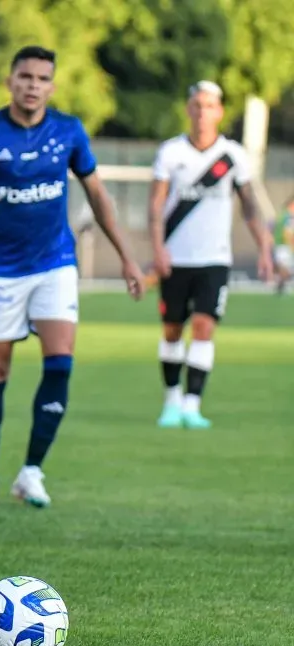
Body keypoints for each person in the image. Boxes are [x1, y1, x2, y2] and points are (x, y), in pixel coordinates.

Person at [0, 46, 145, 509]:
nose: (33, 85)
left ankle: (32, 472)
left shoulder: (69, 131)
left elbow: (98, 198)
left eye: (42, 78)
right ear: (10, 81)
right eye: (25, 76)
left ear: (52, 86)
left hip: (57, 263)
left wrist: (127, 256)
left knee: (60, 362)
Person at [148, 80, 273, 430]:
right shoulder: (171, 153)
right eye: (197, 106)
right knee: (173, 329)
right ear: (189, 109)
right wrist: (157, 249)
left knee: (204, 326)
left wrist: (264, 248)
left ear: (219, 111)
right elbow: (155, 205)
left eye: (209, 106)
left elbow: (250, 208)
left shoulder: (233, 156)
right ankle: (171, 400)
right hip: (175, 258)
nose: (202, 112)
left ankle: (192, 404)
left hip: (215, 259)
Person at [272, 196, 293, 294]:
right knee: (285, 269)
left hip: (284, 245)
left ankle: (281, 284)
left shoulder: (283, 215)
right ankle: (280, 285)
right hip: (283, 245)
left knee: (285, 269)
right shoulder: (287, 216)